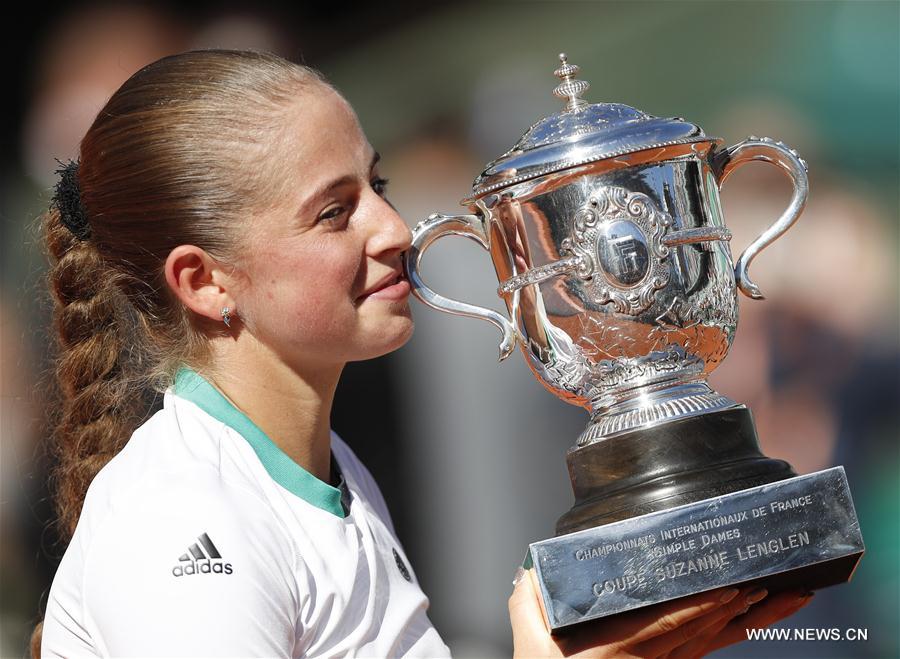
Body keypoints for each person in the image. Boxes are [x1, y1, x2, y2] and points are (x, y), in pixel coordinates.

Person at [33, 48, 812, 658]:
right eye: (334, 211)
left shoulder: (328, 467)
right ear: (205, 282)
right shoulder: (182, 517)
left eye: (377, 183)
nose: (396, 228)